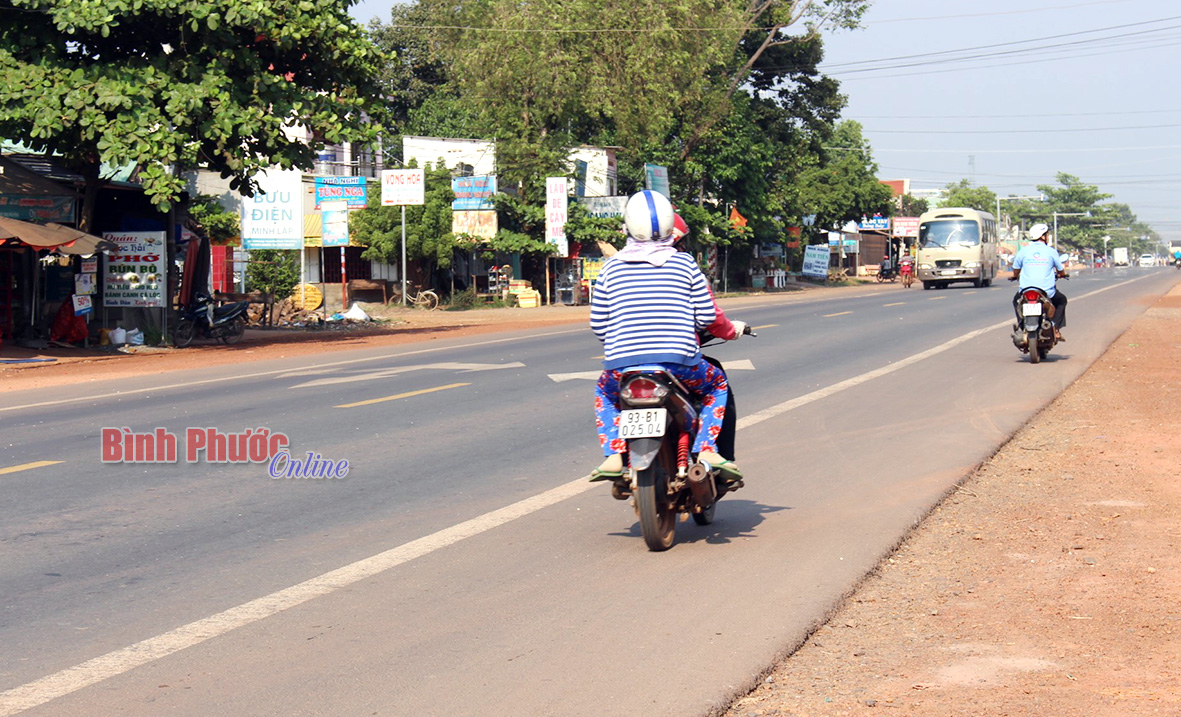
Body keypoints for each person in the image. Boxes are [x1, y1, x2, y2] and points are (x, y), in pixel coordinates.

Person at [588, 190, 744, 483]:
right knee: (717, 384)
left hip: (622, 368)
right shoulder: (685, 265)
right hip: (680, 365)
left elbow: (598, 326)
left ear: (629, 227)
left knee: (604, 393)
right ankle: (708, 449)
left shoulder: (610, 268)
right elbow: (709, 318)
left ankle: (613, 454)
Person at [1010, 223, 1068, 340]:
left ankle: (1022, 325)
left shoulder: (1023, 251)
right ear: (1043, 236)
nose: (1048, 236)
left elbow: (1016, 270)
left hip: (1026, 291)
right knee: (1062, 301)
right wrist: (1062, 275)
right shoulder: (1051, 251)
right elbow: (1060, 270)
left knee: (1016, 302)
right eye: (1047, 234)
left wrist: (1015, 276)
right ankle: (1056, 329)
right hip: (1046, 292)